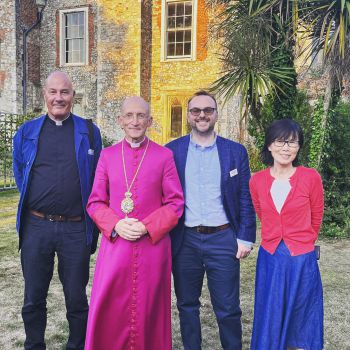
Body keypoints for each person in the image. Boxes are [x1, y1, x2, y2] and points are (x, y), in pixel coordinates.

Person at [84, 96, 184, 350]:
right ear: (120, 120)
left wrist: (148, 226)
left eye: (141, 116)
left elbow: (175, 204)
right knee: (111, 308)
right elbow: (95, 203)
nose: (135, 121)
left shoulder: (164, 156)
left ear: (150, 121)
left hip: (152, 248)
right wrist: (116, 224)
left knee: (148, 308)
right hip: (116, 246)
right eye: (129, 115)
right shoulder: (107, 156)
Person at [12, 71, 102, 350]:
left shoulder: (89, 132)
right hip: (36, 226)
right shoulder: (27, 132)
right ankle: (34, 345)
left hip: (75, 227)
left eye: (65, 92)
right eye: (53, 92)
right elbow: (20, 172)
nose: (58, 98)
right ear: (45, 95)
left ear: (73, 96)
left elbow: (98, 176)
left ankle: (77, 345)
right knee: (33, 297)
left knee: (76, 297)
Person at [166, 90, 256, 350]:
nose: (202, 115)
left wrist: (245, 237)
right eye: (196, 111)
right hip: (185, 240)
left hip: (223, 238)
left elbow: (244, 198)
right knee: (187, 305)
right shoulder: (172, 151)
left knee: (228, 309)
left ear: (215, 114)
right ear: (188, 115)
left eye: (208, 110)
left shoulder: (235, 152)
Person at [249, 119, 324, 350]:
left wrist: (303, 243)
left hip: (302, 258)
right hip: (270, 256)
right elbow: (262, 213)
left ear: (299, 147)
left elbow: (316, 216)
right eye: (280, 141)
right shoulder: (257, 181)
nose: (286, 148)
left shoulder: (311, 177)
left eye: (292, 142)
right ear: (270, 145)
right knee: (271, 310)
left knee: (301, 312)